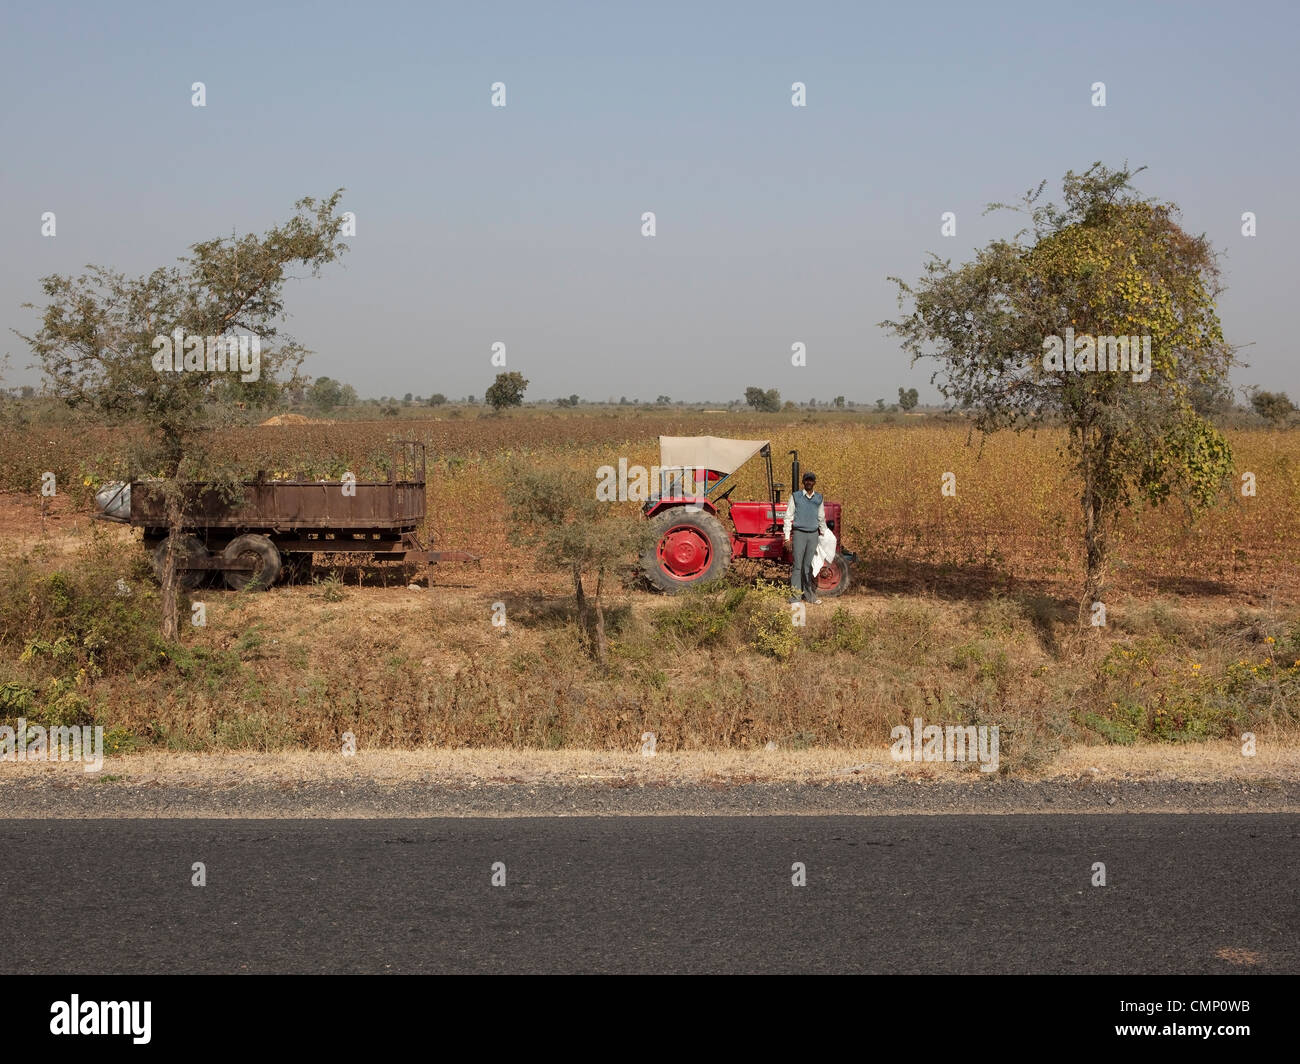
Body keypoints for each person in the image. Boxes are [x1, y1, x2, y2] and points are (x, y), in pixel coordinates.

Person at [783, 471, 828, 604]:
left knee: (808, 566)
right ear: (803, 482)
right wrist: (787, 538)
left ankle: (810, 596)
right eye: (806, 480)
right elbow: (788, 517)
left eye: (811, 480)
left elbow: (821, 518)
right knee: (797, 566)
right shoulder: (796, 497)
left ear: (814, 482)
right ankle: (796, 597)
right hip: (799, 534)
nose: (809, 482)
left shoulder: (819, 498)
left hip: (813, 534)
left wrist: (825, 535)